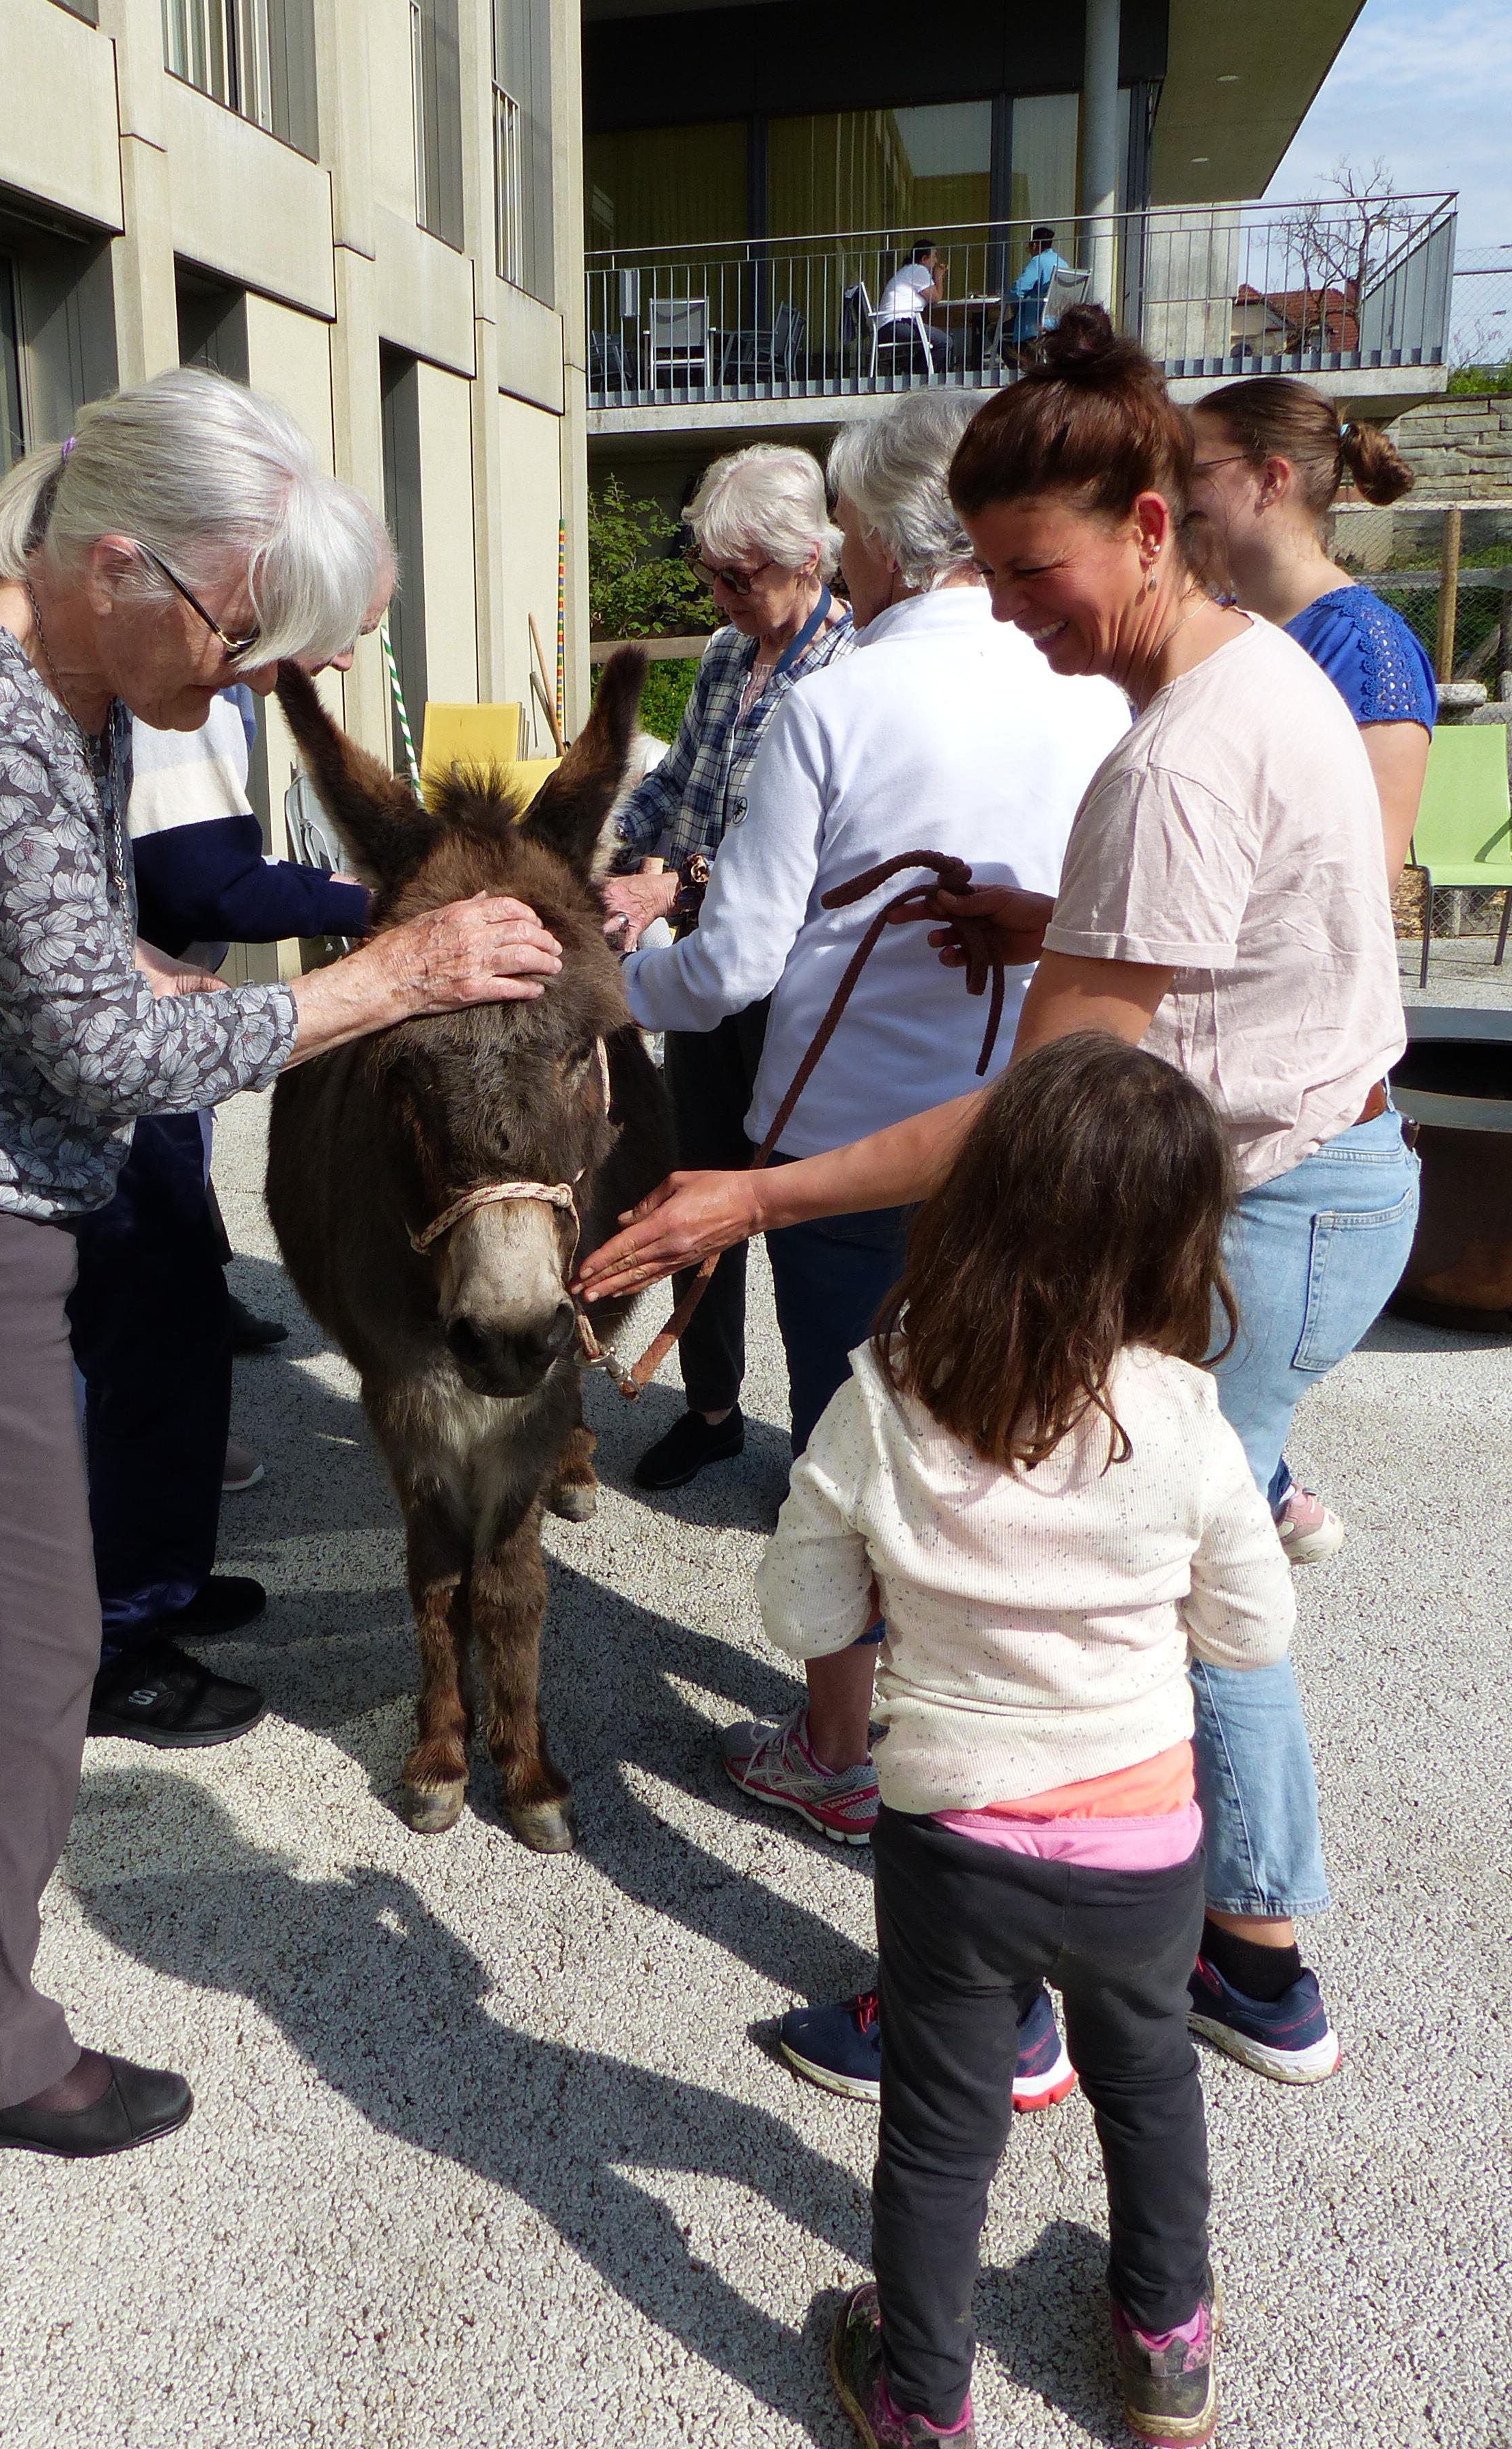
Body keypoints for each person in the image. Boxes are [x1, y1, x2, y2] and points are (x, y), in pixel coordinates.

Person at [580, 308, 1419, 2085]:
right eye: (984, 564)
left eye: (1030, 570)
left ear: (1148, 526)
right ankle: (1218, 1959)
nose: (1007, 609)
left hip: (1247, 1206)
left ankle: (1000, 2006)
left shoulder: (1172, 756)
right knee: (1132, 1586)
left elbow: (1034, 1113)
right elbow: (1229, 949)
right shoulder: (1256, 673)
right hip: (1308, 1183)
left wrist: (756, 1196)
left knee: (1021, 1613)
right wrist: (1055, 931)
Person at [0, 370, 563, 2159]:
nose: (237, 686)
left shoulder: (76, 679)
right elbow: (108, 1067)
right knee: (32, 1639)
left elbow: (63, 962)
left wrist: (168, 982)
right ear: (121, 562)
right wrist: (389, 976)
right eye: (233, 638)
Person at [619, 393, 1127, 1849]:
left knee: (854, 1454)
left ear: (886, 536)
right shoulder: (1090, 691)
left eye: (843, 528)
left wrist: (618, 981)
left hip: (844, 1143)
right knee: (989, 1444)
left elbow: (732, 968)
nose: (840, 559)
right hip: (1030, 1134)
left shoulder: (835, 702)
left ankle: (842, 1745)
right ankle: (990, 1731)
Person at [781, 1034, 1294, 2449]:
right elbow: (1252, 1630)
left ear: (981, 1194)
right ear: (1183, 1238)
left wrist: (901, 1578)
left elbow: (800, 1599)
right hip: (1141, 1841)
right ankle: (1163, 2339)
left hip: (954, 1837)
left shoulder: (885, 1386)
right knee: (1149, 2080)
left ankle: (921, 2393)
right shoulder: (1186, 1414)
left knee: (943, 2130)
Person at [66, 680, 373, 1749]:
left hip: (157, 1032)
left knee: (183, 1319)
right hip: (128, 1063)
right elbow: (208, 883)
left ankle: (161, 1580)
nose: (340, 659)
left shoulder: (180, 693)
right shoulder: (163, 697)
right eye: (339, 623)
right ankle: (113, 1644)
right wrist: (371, 912)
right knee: (145, 1340)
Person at [1187, 381, 1431, 1566]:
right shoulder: (1239, 622)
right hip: (1226, 1103)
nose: (1178, 492)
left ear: (1269, 481)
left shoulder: (1365, 645)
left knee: (1204, 1507)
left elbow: (1357, 887)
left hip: (1296, 1108)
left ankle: (1262, 1492)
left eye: (1199, 466)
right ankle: (1270, 1485)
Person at [599, 445, 854, 1495]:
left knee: (793, 1208)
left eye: (737, 577)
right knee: (690, 1181)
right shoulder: (720, 655)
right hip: (707, 973)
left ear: (806, 558)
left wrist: (673, 888)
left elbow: (786, 848)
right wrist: (602, 853)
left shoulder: (850, 670)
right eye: (711, 575)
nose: (719, 595)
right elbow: (675, 793)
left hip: (798, 983)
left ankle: (820, 1442)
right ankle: (709, 1411)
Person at [876, 243, 952, 374]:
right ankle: (920, 378)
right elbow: (936, 297)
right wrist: (938, 276)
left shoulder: (908, 271)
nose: (936, 261)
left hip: (888, 327)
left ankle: (910, 373)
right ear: (924, 259)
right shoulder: (918, 270)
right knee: (945, 342)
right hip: (897, 324)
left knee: (934, 340)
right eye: (934, 256)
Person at [1006, 224, 1060, 350]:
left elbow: (1017, 290)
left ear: (1035, 245)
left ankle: (1020, 367)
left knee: (993, 332)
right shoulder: (1063, 263)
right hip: (1056, 322)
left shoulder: (1037, 261)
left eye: (1029, 247)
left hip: (1033, 324)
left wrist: (1016, 310)